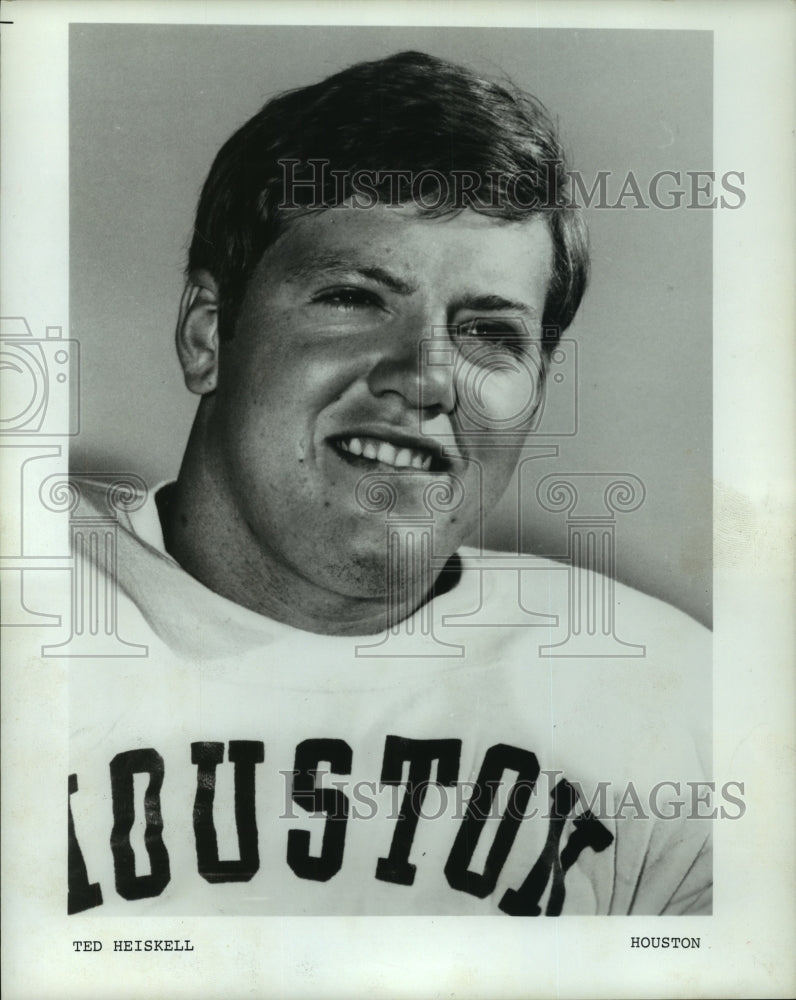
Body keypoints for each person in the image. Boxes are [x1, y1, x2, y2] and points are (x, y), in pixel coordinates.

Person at [66, 51, 712, 917]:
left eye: (489, 332)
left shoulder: (669, 704)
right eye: (356, 298)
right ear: (208, 335)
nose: (427, 376)